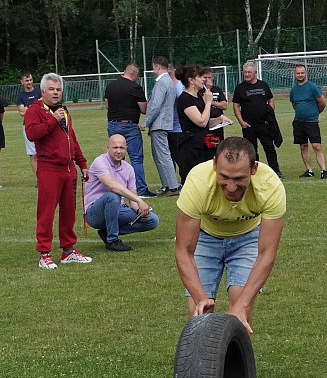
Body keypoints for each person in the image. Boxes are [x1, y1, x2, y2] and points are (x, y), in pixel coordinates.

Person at [174, 137, 285, 334]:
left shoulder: (270, 186)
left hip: (247, 237)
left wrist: (241, 305)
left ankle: (237, 365)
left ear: (254, 169)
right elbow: (184, 251)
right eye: (224, 177)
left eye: (239, 178)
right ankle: (203, 365)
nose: (231, 186)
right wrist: (201, 298)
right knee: (198, 315)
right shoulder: (197, 182)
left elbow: (267, 253)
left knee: (242, 313)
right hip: (205, 237)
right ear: (215, 165)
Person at [24, 72, 91, 269]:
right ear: (43, 91)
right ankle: (44, 253)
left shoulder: (64, 110)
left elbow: (72, 138)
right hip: (49, 168)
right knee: (46, 213)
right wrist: (53, 119)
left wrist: (82, 163)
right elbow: (32, 134)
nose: (55, 93)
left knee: (69, 211)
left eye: (58, 89)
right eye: (51, 89)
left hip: (68, 168)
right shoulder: (34, 110)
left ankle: (68, 251)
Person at [84, 134, 160, 252]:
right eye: (115, 147)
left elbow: (133, 200)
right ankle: (112, 241)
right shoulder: (100, 162)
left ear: (126, 149)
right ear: (107, 147)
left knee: (152, 220)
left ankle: (107, 232)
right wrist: (140, 200)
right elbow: (111, 185)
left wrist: (140, 211)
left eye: (122, 148)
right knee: (113, 196)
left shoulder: (129, 169)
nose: (119, 151)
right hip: (94, 213)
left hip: (117, 210)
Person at [103, 63, 154, 198]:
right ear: (135, 74)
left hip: (113, 124)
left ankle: (118, 187)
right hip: (130, 126)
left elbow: (107, 105)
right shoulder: (135, 88)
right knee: (136, 158)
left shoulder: (110, 86)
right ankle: (141, 190)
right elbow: (144, 109)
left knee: (116, 157)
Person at [232, 61, 282, 177]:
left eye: (249, 72)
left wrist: (270, 113)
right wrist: (241, 122)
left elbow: (270, 99)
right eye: (245, 72)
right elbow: (235, 106)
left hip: (264, 124)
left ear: (255, 72)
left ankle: (275, 171)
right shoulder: (240, 88)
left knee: (269, 148)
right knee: (251, 151)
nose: (247, 74)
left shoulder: (263, 85)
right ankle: (255, 172)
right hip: (249, 126)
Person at [143, 57, 181, 196]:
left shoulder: (161, 83)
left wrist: (146, 122)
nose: (153, 71)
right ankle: (167, 186)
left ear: (158, 67)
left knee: (163, 156)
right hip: (163, 124)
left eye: (154, 67)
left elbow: (155, 105)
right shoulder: (169, 82)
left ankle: (172, 187)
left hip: (160, 124)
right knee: (160, 155)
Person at [175, 63, 218, 183]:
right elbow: (201, 122)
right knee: (194, 180)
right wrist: (209, 103)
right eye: (200, 76)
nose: (203, 79)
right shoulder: (184, 99)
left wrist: (220, 120)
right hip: (191, 147)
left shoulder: (198, 97)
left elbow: (206, 120)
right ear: (191, 80)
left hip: (203, 145)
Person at [290, 64, 327, 178]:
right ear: (295, 74)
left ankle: (324, 171)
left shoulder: (313, 87)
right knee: (303, 146)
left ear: (306, 73)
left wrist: (314, 114)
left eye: (302, 72)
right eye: (298, 73)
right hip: (298, 122)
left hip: (311, 122)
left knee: (317, 146)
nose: (300, 75)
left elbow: (322, 103)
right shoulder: (293, 90)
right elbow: (294, 104)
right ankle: (309, 170)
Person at [15, 72, 42, 177]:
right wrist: (35, 107)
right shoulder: (20, 96)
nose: (29, 82)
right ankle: (38, 179)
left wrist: (29, 108)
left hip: (42, 125)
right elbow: (22, 112)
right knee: (33, 154)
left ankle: (46, 177)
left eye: (30, 80)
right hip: (28, 126)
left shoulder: (39, 92)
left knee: (45, 152)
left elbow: (44, 107)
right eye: (27, 80)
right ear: (22, 82)